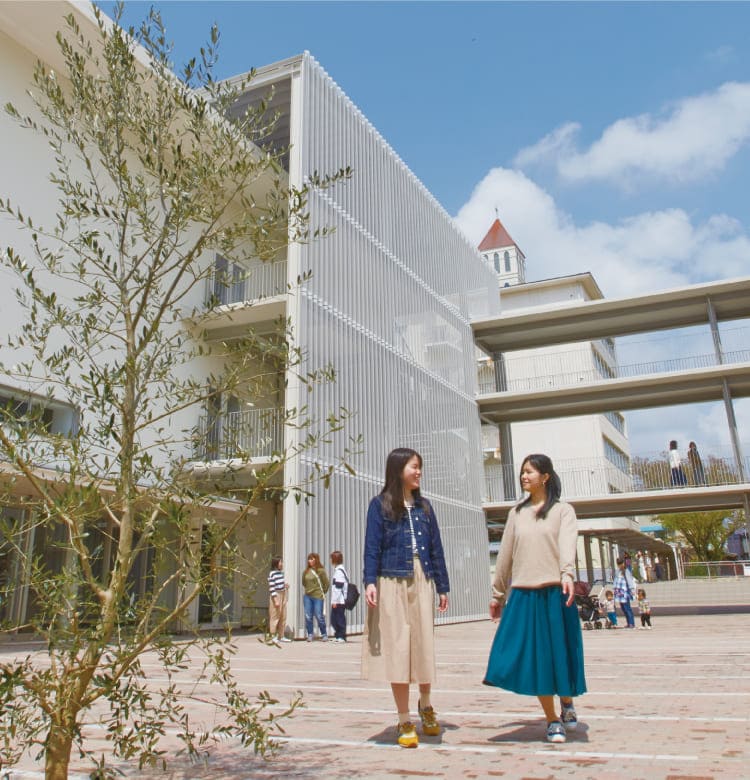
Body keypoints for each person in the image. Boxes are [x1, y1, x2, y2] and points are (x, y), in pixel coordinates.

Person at [483, 453, 586, 745]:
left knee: (558, 655)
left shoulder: (563, 511)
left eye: (529, 472)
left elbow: (568, 544)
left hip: (556, 592)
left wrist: (567, 574)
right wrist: (497, 593)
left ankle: (566, 700)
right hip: (524, 593)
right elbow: (505, 555)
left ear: (546, 476)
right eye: (522, 472)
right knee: (536, 659)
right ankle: (552, 719)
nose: (524, 476)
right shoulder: (517, 513)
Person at [362, 447, 450, 749]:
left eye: (420, 467)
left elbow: (436, 547)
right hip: (390, 579)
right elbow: (372, 546)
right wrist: (369, 581)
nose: (419, 472)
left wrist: (442, 586)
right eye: (414, 467)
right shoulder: (380, 505)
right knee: (398, 650)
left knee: (423, 645)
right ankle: (403, 718)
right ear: (399, 469)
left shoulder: (425, 507)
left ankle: (425, 705)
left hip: (422, 578)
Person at [302, 552, 330, 642]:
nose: (310, 560)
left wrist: (322, 592)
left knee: (319, 616)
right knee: (308, 616)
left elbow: (326, 583)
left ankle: (324, 634)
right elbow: (304, 583)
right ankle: (310, 634)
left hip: (318, 596)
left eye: (312, 559)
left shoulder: (321, 570)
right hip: (307, 597)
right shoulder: (306, 571)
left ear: (316, 559)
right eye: (309, 559)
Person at [267, 556, 291, 644]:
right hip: (276, 595)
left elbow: (279, 584)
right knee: (275, 616)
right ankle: (273, 636)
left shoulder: (281, 573)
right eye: (280, 562)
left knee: (283, 616)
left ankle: (281, 636)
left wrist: (285, 585)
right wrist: (275, 600)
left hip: (283, 593)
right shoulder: (272, 573)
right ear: (276, 563)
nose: (282, 564)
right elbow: (272, 587)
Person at [330, 550, 349, 643]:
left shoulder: (339, 571)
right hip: (339, 600)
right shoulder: (339, 570)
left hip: (339, 600)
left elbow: (338, 587)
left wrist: (334, 601)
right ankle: (338, 635)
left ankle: (341, 635)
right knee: (335, 618)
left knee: (338, 618)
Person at [613, 557, 636, 628]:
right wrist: (614, 588)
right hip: (619, 592)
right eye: (618, 564)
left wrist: (632, 590)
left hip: (625, 592)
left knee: (627, 608)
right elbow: (615, 580)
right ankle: (628, 623)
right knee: (623, 608)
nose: (619, 565)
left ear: (623, 563)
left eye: (620, 563)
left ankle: (631, 623)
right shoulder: (617, 571)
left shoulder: (626, 571)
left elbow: (630, 580)